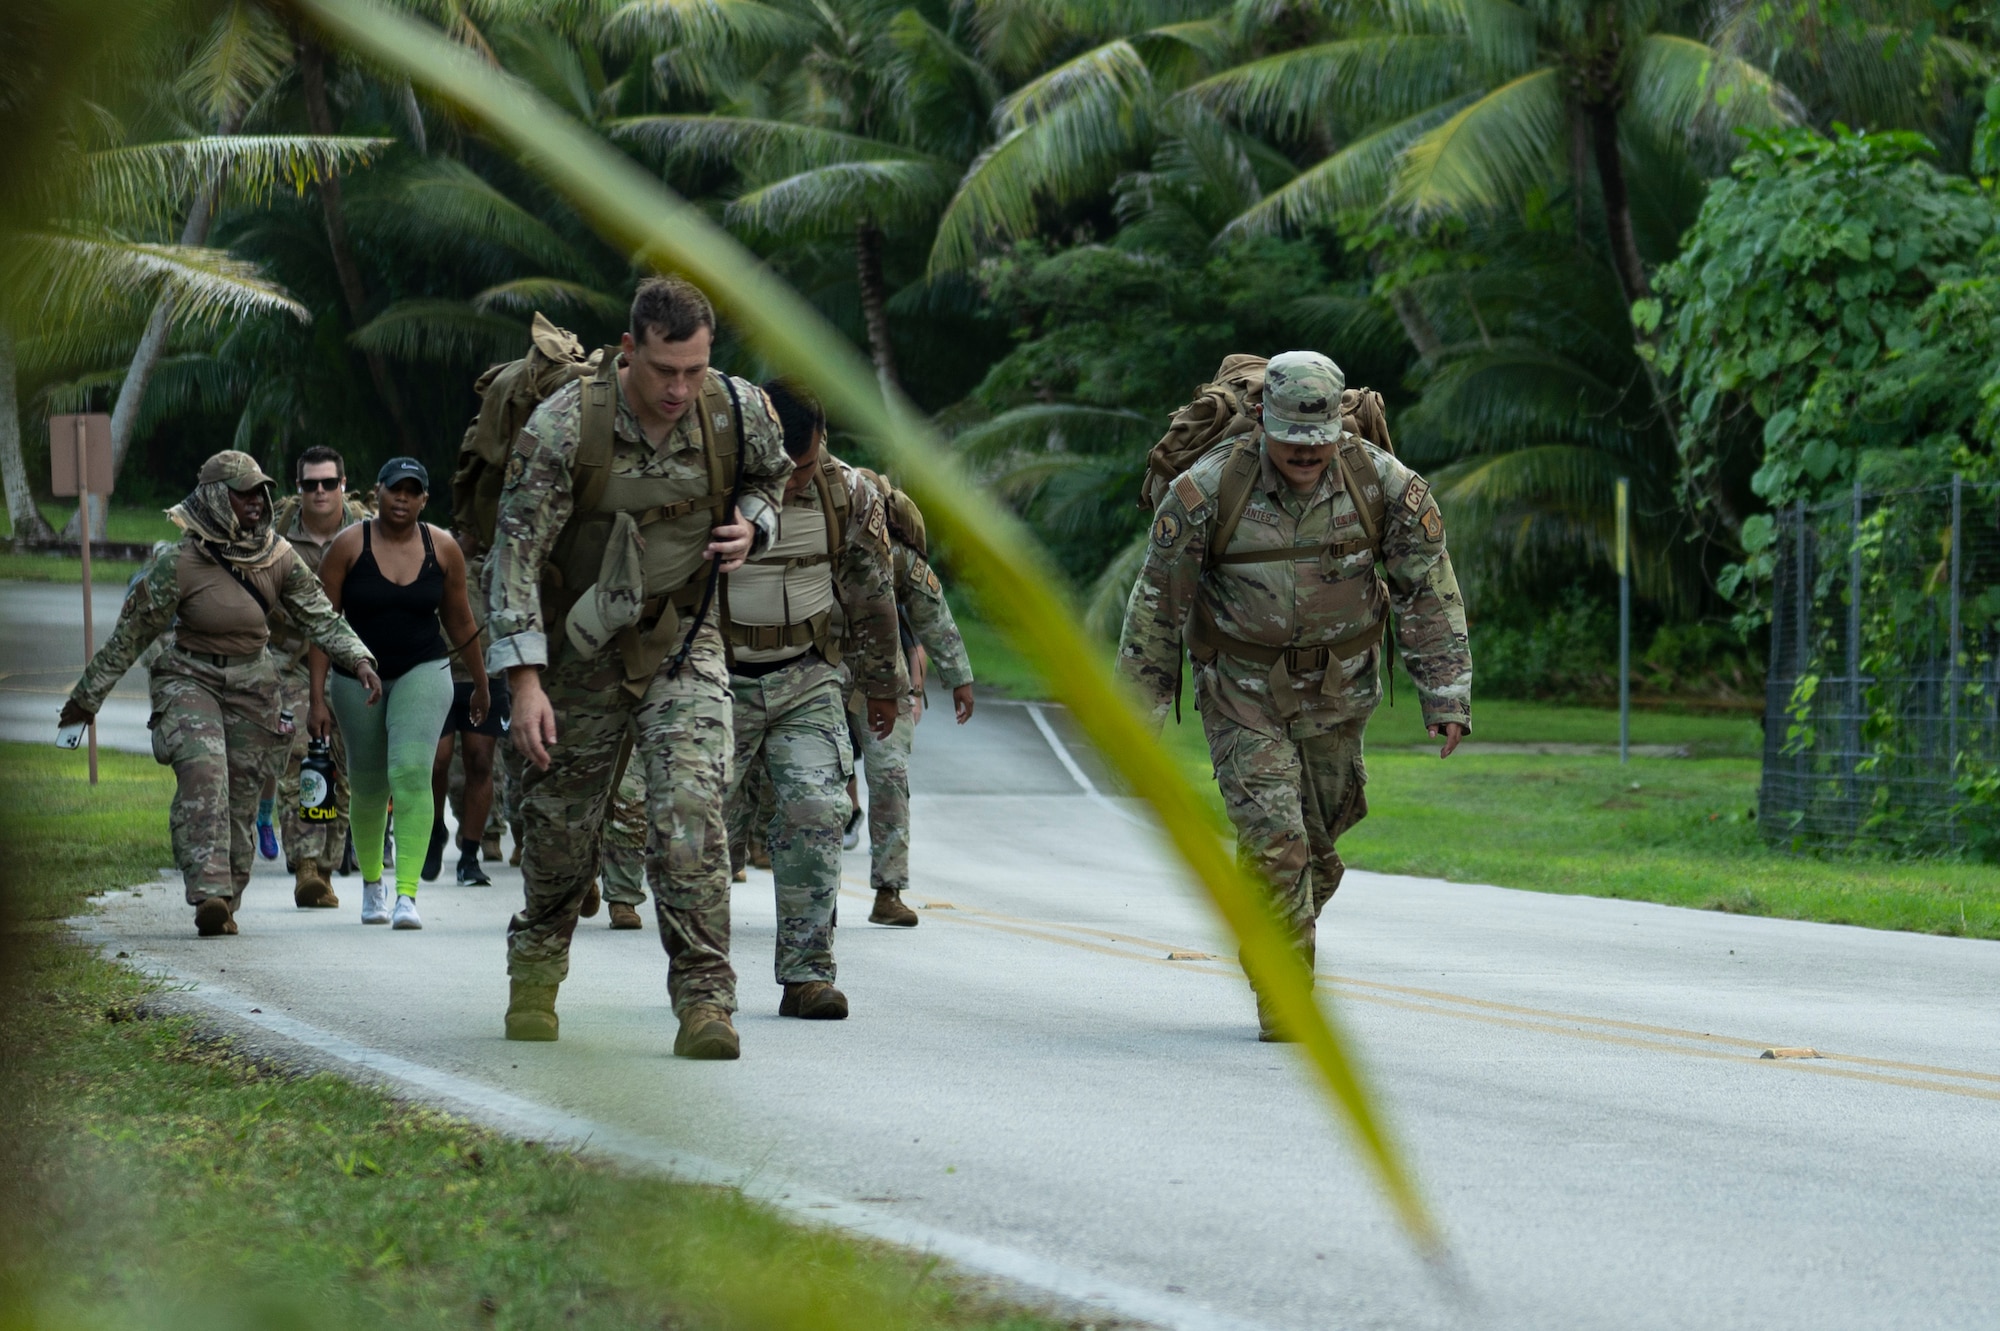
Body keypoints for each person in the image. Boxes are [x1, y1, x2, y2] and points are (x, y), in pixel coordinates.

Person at [1115, 351, 1472, 1041]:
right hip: (1242, 693)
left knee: (1317, 848)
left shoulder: (1382, 482)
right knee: (1278, 844)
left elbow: (1427, 586)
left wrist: (1447, 692)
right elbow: (1157, 607)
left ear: (1340, 426)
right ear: (1262, 423)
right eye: (1291, 441)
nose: (1306, 455)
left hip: (1340, 692)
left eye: (1319, 441)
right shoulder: (1208, 491)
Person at [487, 275, 791, 1057]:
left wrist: (753, 525)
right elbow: (514, 562)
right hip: (578, 653)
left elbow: (773, 477)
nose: (679, 389)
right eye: (664, 370)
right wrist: (524, 684)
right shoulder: (563, 429)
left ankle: (705, 1001)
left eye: (694, 369)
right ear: (629, 352)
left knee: (689, 817)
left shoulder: (736, 410)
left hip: (681, 641)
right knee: (559, 835)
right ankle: (536, 968)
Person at [60, 451, 380, 937]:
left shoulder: (276, 555)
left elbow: (321, 616)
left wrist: (359, 659)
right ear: (214, 497)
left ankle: (227, 896)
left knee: (243, 796)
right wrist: (86, 700)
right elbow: (131, 635)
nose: (256, 502)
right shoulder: (179, 562)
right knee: (204, 773)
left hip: (254, 684)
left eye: (260, 492)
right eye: (243, 493)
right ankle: (208, 891)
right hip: (190, 678)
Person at [721, 381, 904, 1020]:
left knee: (817, 811)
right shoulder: (712, 483)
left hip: (807, 675)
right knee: (701, 828)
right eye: (782, 469)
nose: (793, 484)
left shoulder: (847, 493)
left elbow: (871, 591)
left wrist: (885, 685)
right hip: (717, 677)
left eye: (804, 466)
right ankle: (704, 984)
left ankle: (806, 976)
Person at [309, 458, 489, 931]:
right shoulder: (349, 546)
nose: (403, 499)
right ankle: (373, 885)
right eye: (395, 490)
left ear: (424, 500)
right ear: (378, 492)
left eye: (413, 492)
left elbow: (460, 619)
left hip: (423, 669)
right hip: (356, 676)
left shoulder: (443, 548)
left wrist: (482, 683)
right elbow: (323, 625)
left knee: (411, 772)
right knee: (369, 784)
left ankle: (407, 894)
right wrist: (316, 698)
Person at [841, 472, 976, 927]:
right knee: (811, 782)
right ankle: (809, 894)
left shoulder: (895, 556)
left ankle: (888, 891)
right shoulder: (814, 543)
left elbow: (932, 612)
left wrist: (958, 677)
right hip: (817, 675)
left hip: (884, 677)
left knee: (890, 780)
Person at [263, 445, 372, 907]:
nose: (320, 491)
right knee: (303, 758)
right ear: (299, 488)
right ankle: (306, 862)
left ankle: (326, 866)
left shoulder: (368, 530)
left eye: (329, 483)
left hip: (350, 660)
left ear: (343, 485)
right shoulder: (276, 532)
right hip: (291, 661)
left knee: (345, 768)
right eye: (311, 484)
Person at [424, 524, 510, 887]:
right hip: (438, 671)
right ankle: (434, 831)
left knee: (479, 762)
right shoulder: (437, 556)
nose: (466, 532)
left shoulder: (503, 561)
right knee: (438, 761)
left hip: (488, 674)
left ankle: (470, 855)